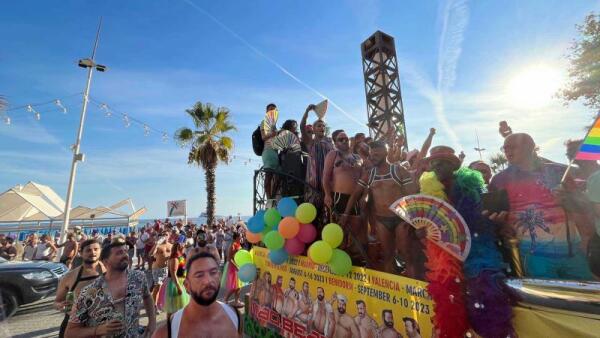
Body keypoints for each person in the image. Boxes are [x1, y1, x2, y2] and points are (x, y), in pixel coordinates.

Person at [489, 133, 594, 280]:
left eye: (513, 147)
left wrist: (569, 199)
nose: (507, 151)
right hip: (533, 255)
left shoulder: (559, 171)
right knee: (547, 299)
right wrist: (501, 226)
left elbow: (583, 205)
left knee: (585, 299)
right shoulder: (499, 179)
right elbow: (498, 215)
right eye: (504, 148)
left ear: (531, 147)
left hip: (573, 253)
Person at [341, 141, 421, 276]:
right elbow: (355, 195)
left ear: (385, 152)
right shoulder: (369, 174)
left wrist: (417, 222)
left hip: (401, 219)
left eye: (376, 154)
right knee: (387, 256)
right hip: (381, 220)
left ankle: (413, 290)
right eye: (371, 154)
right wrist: (345, 214)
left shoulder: (398, 170)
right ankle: (392, 289)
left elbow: (412, 195)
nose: (373, 156)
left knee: (407, 256)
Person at [66, 238, 156, 338]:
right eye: (119, 253)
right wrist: (98, 330)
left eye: (125, 251)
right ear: (106, 261)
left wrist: (152, 322)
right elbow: (70, 333)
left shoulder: (139, 277)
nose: (125, 255)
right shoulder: (89, 292)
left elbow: (147, 296)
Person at [151, 252, 242, 338]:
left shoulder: (235, 316)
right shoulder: (165, 332)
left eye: (213, 273)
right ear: (186, 285)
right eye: (199, 275)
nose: (208, 281)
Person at [323, 129, 365, 257]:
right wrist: (327, 194)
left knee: (355, 231)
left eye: (346, 139)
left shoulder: (358, 158)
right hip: (339, 196)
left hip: (356, 198)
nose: (344, 141)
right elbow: (325, 176)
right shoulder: (333, 154)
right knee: (339, 231)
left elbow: (365, 177)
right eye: (341, 139)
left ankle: (352, 261)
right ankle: (338, 260)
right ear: (335, 143)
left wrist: (364, 197)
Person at [54, 239, 104, 338]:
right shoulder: (70, 276)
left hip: (102, 325)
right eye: (88, 250)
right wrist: (61, 306)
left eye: (96, 249)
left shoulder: (111, 272)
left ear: (101, 251)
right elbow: (57, 302)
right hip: (75, 326)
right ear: (80, 253)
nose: (93, 252)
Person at [301, 104, 335, 225]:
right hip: (313, 188)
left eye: (323, 126)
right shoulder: (310, 142)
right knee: (311, 219)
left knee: (328, 219)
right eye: (319, 125)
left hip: (328, 188)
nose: (322, 127)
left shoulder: (330, 143)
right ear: (314, 129)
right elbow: (302, 127)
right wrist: (307, 112)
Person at [163, 242, 190, 316]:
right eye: (183, 247)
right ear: (179, 248)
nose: (184, 248)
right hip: (174, 284)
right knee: (173, 307)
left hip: (180, 282)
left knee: (179, 307)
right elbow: (173, 274)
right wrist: (178, 287)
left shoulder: (180, 257)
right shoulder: (175, 259)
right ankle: (171, 324)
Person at [261, 103, 280, 201]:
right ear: (267, 112)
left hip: (275, 152)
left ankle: (272, 196)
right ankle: (269, 198)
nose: (272, 111)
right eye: (270, 109)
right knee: (268, 175)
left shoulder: (274, 125)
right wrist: (273, 134)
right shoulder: (264, 122)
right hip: (268, 151)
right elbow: (263, 137)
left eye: (274, 110)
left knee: (278, 174)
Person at [151, 233, 173, 306]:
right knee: (158, 287)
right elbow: (151, 254)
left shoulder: (171, 245)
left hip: (166, 269)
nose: (164, 236)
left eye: (166, 234)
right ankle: (154, 305)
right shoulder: (158, 245)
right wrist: (156, 244)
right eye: (162, 234)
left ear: (169, 236)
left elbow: (175, 256)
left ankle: (160, 302)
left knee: (164, 287)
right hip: (157, 269)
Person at [222, 233, 243, 307]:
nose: (241, 238)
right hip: (233, 267)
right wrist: (236, 266)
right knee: (235, 286)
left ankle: (236, 301)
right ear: (236, 238)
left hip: (238, 265)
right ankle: (225, 299)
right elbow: (229, 259)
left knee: (239, 286)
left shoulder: (238, 244)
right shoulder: (233, 245)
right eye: (240, 237)